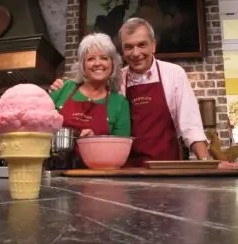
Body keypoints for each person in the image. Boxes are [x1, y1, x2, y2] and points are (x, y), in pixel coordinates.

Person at [50, 18, 209, 166]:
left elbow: (191, 126)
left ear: (153, 45)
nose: (135, 53)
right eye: (129, 47)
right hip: (126, 169)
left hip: (166, 165)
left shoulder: (174, 74)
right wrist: (59, 86)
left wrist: (206, 161)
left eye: (142, 45)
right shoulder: (117, 80)